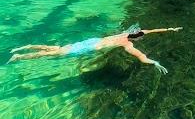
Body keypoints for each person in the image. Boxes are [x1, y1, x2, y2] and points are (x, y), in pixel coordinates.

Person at [8, 25, 183, 74]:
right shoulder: (126, 44)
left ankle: (28, 46)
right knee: (55, 54)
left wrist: (169, 29)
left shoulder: (126, 33)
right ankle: (20, 57)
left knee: (58, 48)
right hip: (90, 47)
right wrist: (156, 63)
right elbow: (142, 57)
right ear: (137, 38)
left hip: (91, 41)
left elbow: (150, 30)